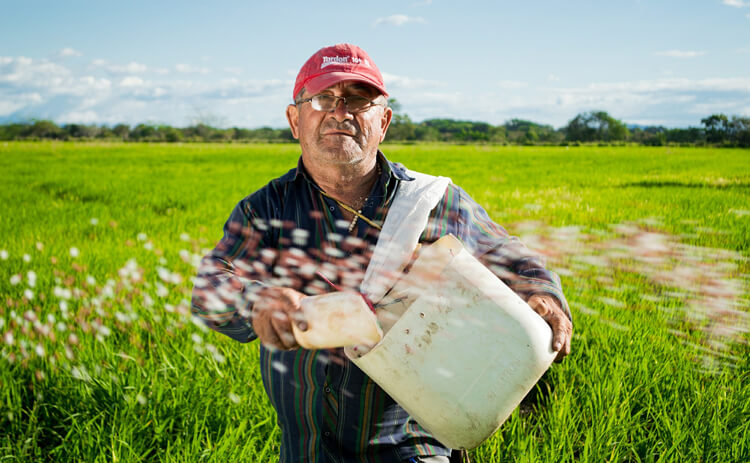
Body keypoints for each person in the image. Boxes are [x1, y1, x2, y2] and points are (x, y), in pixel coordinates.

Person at [191, 43, 572, 463]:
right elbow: (209, 288)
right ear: (294, 120)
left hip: (413, 445)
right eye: (321, 98)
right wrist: (256, 301)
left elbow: (508, 254)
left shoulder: (430, 201)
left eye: (358, 100)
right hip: (306, 450)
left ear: (383, 121)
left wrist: (544, 294)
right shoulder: (266, 210)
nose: (340, 112)